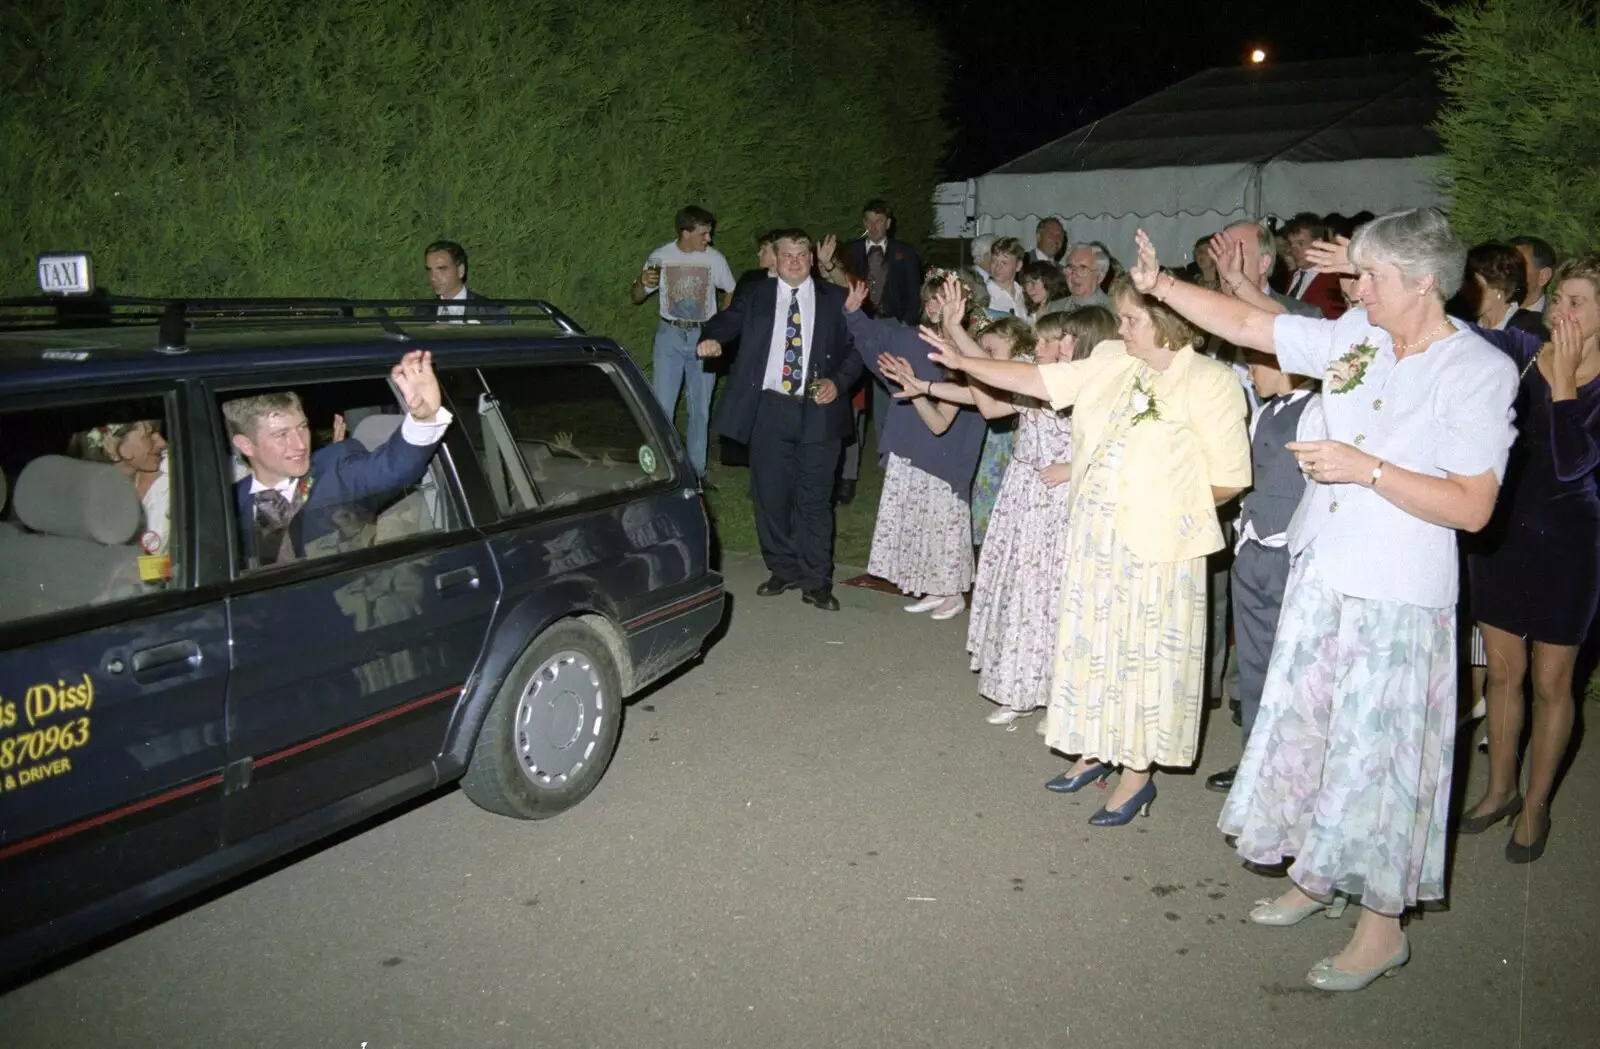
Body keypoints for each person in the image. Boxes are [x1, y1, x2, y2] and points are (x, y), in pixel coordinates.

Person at [1135, 208, 1518, 992]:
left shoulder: (1477, 370)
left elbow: (1474, 506)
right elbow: (1249, 320)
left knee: (1380, 761)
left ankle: (1382, 929)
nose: (1355, 286)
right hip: (1324, 571)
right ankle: (1314, 877)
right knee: (1311, 736)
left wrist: (1363, 466)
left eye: (1372, 276)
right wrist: (1162, 285)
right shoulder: (1357, 340)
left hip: (1399, 595)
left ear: (1424, 282)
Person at [920, 271, 1250, 825]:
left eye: (1131, 319)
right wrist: (965, 356)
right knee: (1095, 654)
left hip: (1158, 551)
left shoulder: (1211, 382)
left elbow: (1229, 479)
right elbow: (1037, 379)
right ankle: (1095, 750)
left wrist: (1159, 508)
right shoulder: (1114, 363)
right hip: (1096, 542)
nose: (1119, 328)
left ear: (1167, 322)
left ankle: (1137, 773)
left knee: (1142, 661)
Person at [894, 307, 1117, 728]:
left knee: (1048, 599)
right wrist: (925, 384)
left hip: (1056, 502)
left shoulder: (1089, 381)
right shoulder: (1046, 375)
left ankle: (1056, 695)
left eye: (1057, 340)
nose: (1045, 347)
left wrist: (1074, 469)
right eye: (1047, 340)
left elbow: (1116, 443)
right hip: (1023, 494)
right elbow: (993, 403)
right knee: (1019, 593)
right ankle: (1021, 686)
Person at [1463, 255, 1600, 863]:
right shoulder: (1520, 350)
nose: (1562, 312)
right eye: (1560, 299)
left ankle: (1538, 804)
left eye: (1579, 302)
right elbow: (1451, 327)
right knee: (1502, 671)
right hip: (1504, 533)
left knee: (1551, 681)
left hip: (1572, 545)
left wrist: (1566, 380)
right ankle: (1500, 790)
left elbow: (1574, 463)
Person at [696, 231, 863, 612]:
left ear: (811, 259)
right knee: (771, 496)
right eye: (787, 255)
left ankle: (816, 580)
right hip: (769, 409)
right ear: (774, 259)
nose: (794, 261)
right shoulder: (756, 296)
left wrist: (838, 383)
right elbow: (725, 321)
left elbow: (859, 347)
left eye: (802, 254)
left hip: (819, 409)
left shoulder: (835, 299)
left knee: (815, 499)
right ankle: (783, 568)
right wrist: (711, 339)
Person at [1203, 354, 1323, 795]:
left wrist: (1298, 548)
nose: (1249, 371)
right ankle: (1253, 760)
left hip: (1287, 555)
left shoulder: (1317, 413)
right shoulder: (1264, 411)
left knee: (1289, 667)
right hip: (1251, 547)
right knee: (1254, 664)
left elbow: (1319, 493)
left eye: (1258, 363)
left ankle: (1290, 772)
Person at [846, 271, 989, 621]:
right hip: (911, 438)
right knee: (916, 515)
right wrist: (853, 315)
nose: (932, 304)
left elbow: (958, 408)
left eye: (941, 297)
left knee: (944, 518)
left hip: (947, 449)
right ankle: (932, 586)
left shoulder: (970, 349)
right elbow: (877, 347)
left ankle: (951, 590)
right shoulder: (913, 339)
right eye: (929, 298)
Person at [226, 351, 453, 568]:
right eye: (281, 435)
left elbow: (394, 468)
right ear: (245, 445)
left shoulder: (333, 469)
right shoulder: (227, 503)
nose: (300, 444)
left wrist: (423, 419)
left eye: (303, 427)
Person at [630, 205, 737, 485]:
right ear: (686, 232)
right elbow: (637, 297)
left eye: (709, 234)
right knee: (662, 407)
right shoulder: (661, 256)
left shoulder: (714, 259)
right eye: (703, 234)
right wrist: (641, 282)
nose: (708, 239)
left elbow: (731, 290)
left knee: (700, 408)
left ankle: (697, 474)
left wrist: (721, 324)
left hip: (703, 337)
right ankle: (663, 473)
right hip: (670, 336)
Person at [965, 318, 1028, 549]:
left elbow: (991, 407)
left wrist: (969, 365)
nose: (988, 358)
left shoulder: (1023, 367)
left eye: (992, 350)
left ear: (1013, 339)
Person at [70, 419, 170, 559]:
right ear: (112, 448)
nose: (162, 442)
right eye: (149, 436)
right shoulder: (93, 504)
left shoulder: (174, 473)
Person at [1463, 242, 1546, 338]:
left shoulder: (1528, 330)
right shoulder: (1463, 325)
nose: (1466, 291)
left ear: (1499, 287)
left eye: (1474, 283)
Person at [420, 241, 509, 322]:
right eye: (429, 270)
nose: (433, 278)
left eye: (442, 269)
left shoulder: (492, 312)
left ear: (460, 270)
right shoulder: (421, 312)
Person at [1282, 213, 1346, 319]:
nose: (1294, 251)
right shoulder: (1292, 276)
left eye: (1301, 243)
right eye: (1291, 244)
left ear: (1318, 243)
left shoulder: (1334, 280)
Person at [1510, 235, 1557, 314]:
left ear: (1543, 276)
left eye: (1518, 265)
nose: (1507, 272)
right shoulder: (1487, 314)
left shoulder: (1556, 319)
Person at [984, 238, 1030, 319]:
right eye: (994, 261)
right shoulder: (984, 295)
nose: (997, 267)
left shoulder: (1025, 294)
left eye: (1004, 263)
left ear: (1018, 266)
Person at [1062, 244, 1112, 309]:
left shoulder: (1112, 311)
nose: (1074, 275)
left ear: (1100, 277)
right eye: (1071, 267)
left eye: (1083, 268)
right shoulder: (1052, 308)